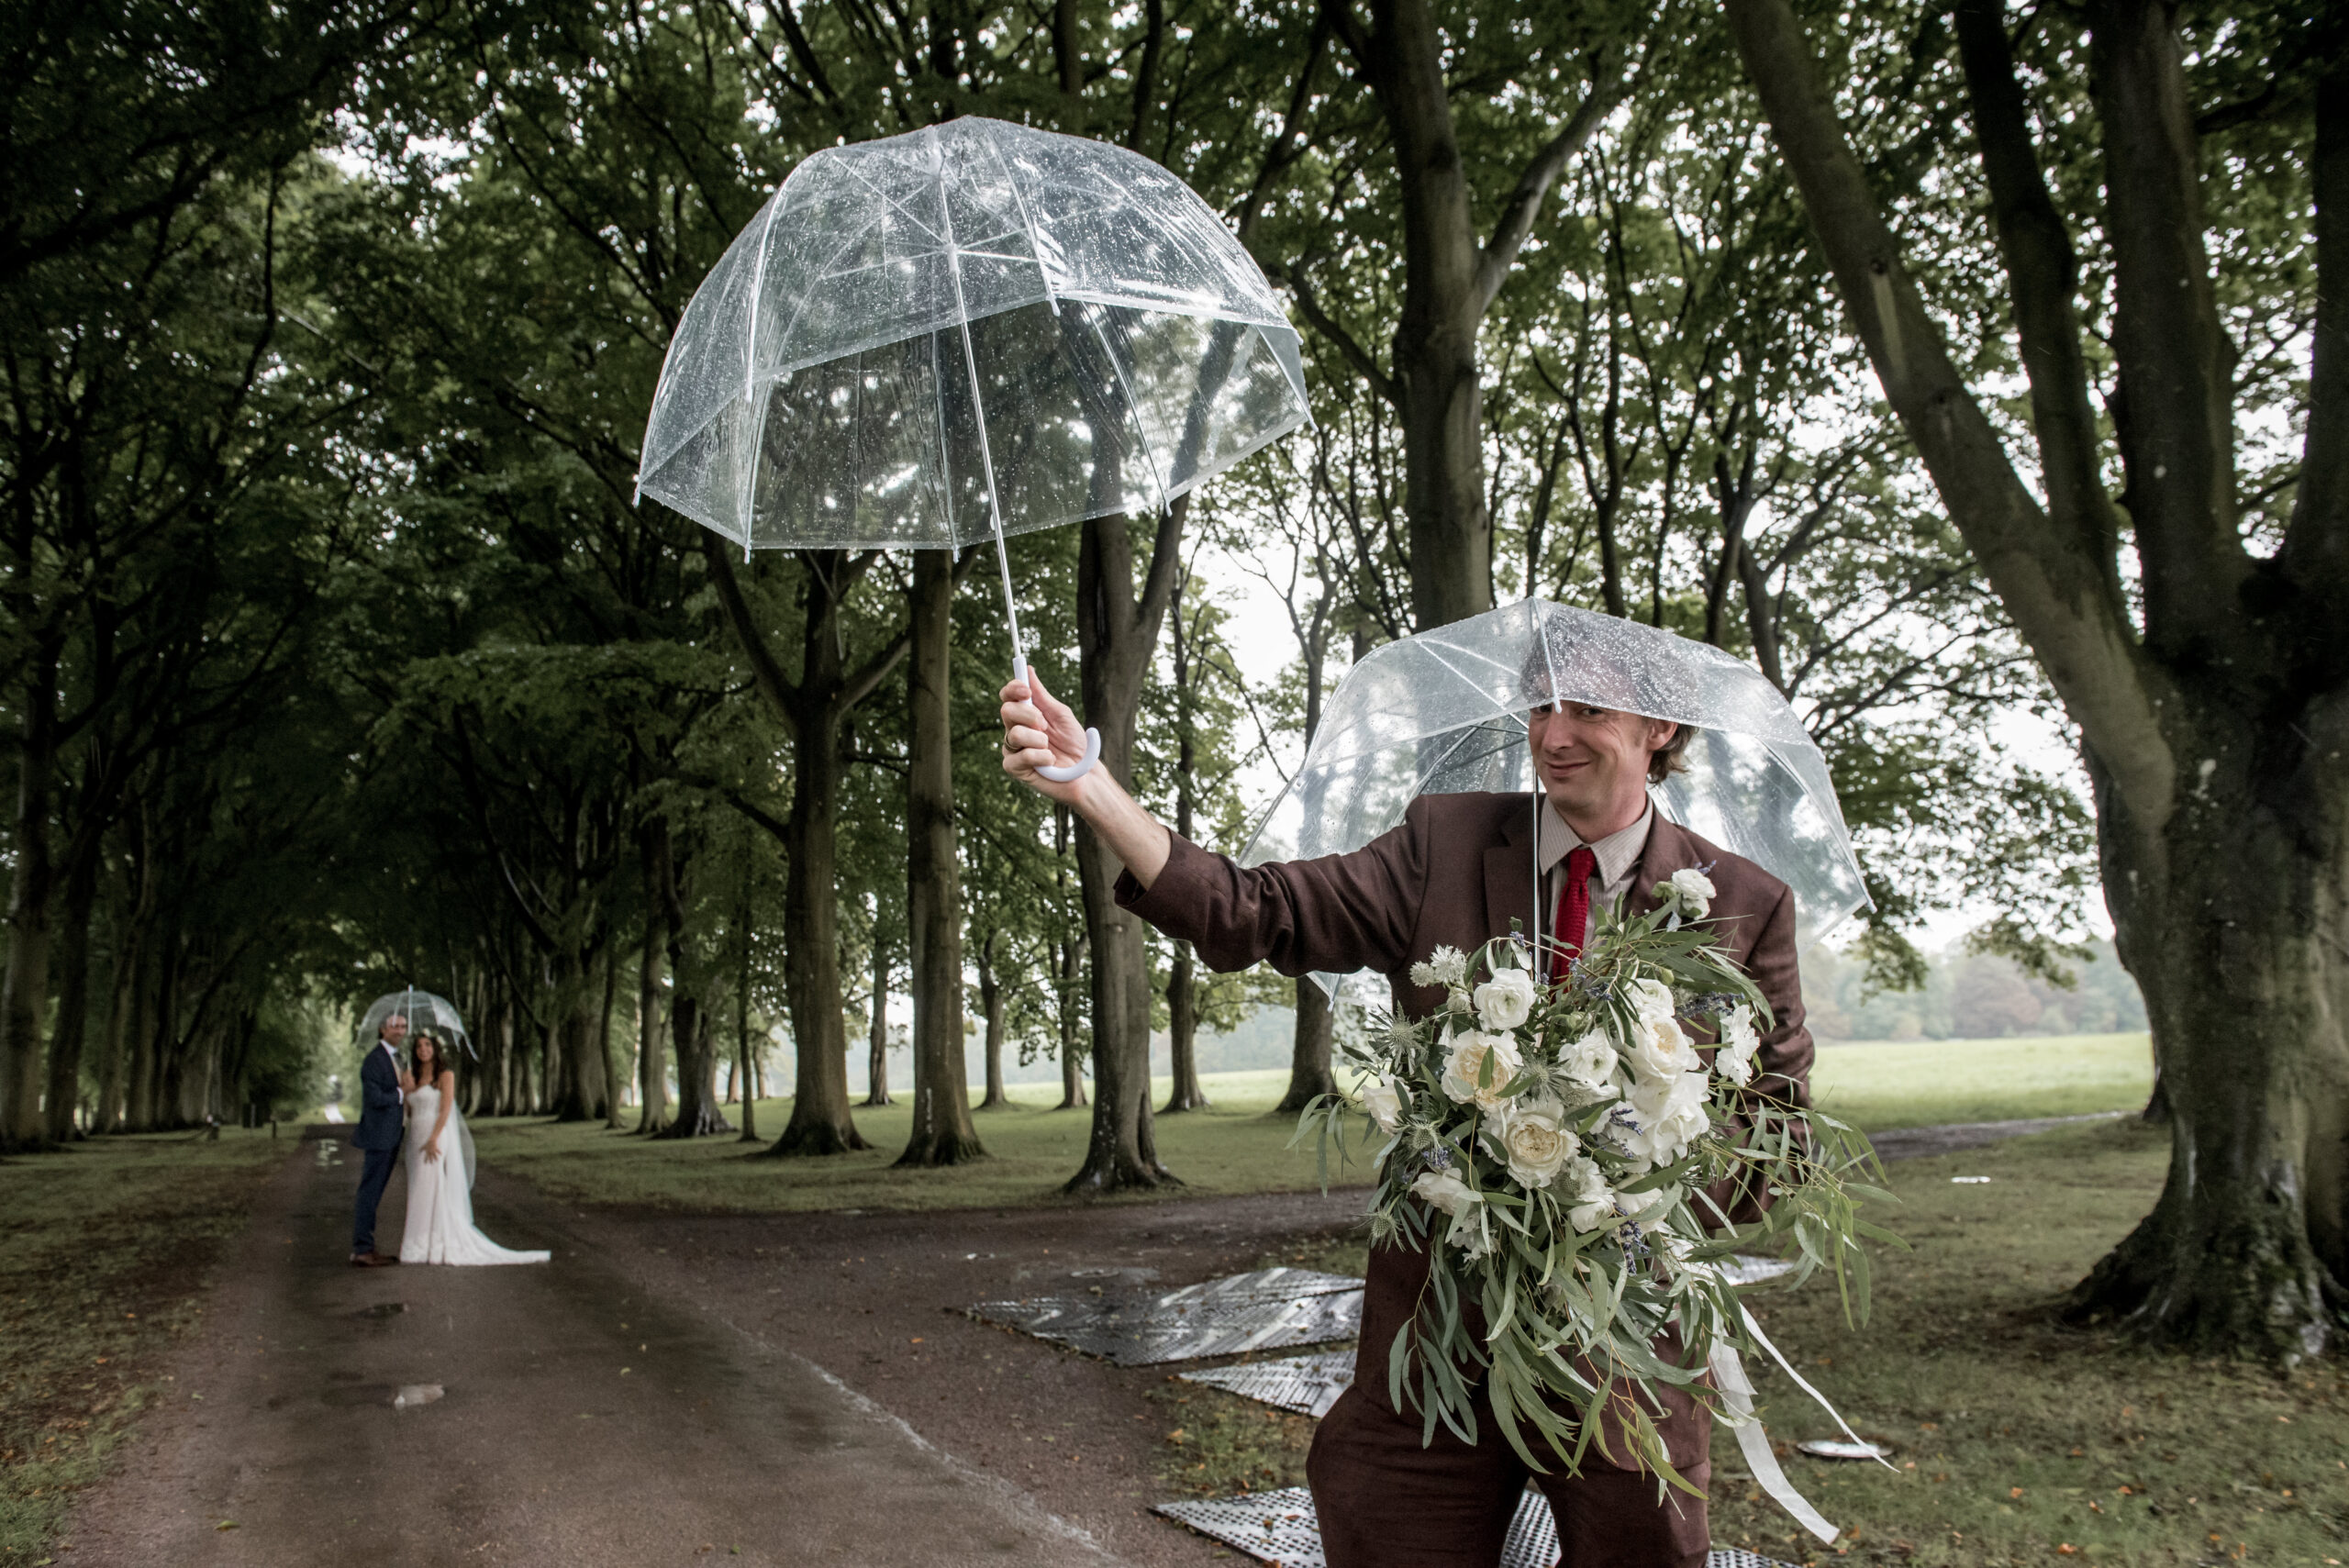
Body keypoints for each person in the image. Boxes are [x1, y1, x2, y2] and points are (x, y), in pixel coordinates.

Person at [999, 661, 1813, 1568]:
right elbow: (1253, 909)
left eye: (1586, 708)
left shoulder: (1742, 902)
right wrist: (1093, 785)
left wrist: (1629, 1190)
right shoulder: (1443, 842)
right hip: (1432, 1347)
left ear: (1658, 727)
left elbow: (1780, 1140)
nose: (1551, 733)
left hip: (1626, 1359)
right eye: (1540, 705)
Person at [395, 1033, 550, 1266]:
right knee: (419, 1188)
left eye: (427, 1045)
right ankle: (418, 1241)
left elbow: (445, 1109)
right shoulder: (411, 1076)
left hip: (435, 1137)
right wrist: (406, 1091)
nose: (423, 1049)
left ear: (436, 1049)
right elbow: (408, 1112)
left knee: (432, 1185)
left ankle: (435, 1242)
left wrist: (434, 1138)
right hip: (416, 1137)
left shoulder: (445, 1075)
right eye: (418, 1046)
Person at [351, 1012, 409, 1267]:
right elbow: (374, 1098)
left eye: (403, 1026)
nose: (399, 1030)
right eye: (394, 1026)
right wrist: (400, 1093)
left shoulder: (399, 1058)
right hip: (378, 1135)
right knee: (370, 1192)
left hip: (394, 1135)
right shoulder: (374, 1060)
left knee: (375, 1191)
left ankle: (366, 1246)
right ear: (382, 1030)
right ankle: (362, 1248)